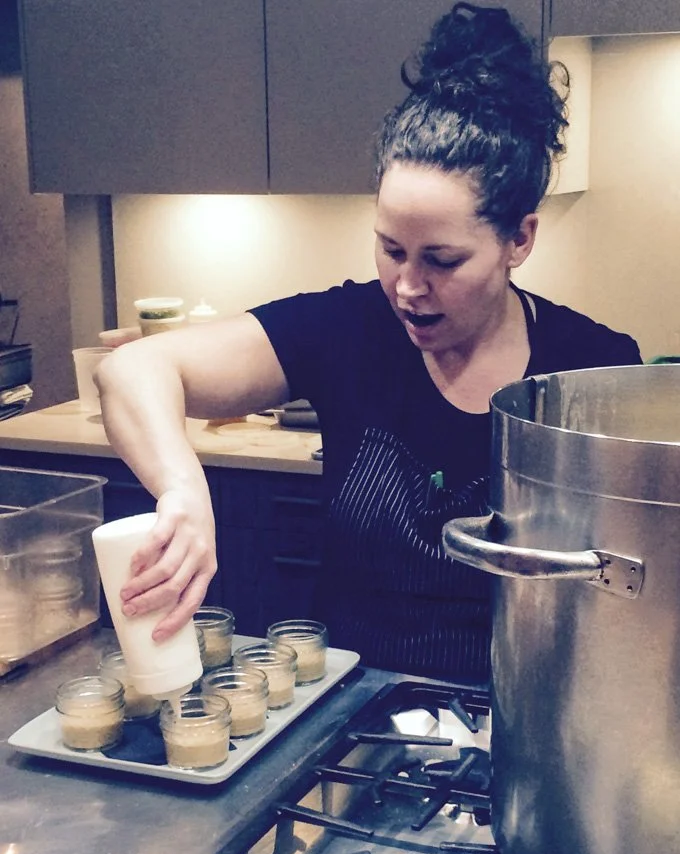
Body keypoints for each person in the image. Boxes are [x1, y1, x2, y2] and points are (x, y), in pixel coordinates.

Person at [96, 2, 641, 686]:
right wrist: (182, 491)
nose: (407, 287)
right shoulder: (347, 329)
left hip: (521, 723)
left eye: (441, 260)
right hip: (348, 719)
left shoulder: (592, 366)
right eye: (391, 249)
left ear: (519, 240)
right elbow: (134, 369)